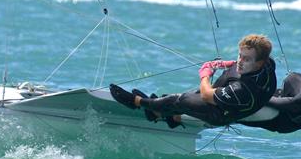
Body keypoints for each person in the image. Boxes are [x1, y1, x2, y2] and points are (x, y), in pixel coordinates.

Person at [110, 34, 277, 128]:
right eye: (239, 55)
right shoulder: (267, 63)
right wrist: (228, 64)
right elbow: (243, 64)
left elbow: (205, 95)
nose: (240, 61)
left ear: (260, 62)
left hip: (220, 115)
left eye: (246, 59)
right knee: (227, 74)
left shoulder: (242, 90)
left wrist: (205, 73)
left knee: (179, 99)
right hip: (235, 100)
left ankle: (139, 103)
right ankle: (172, 116)